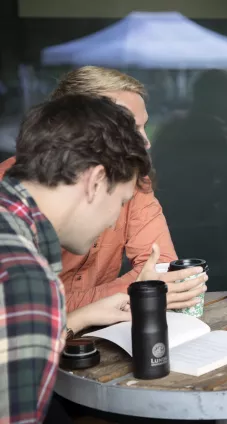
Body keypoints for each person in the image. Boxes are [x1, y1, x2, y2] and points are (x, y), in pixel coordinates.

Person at [0, 94, 188, 422]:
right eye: (119, 202)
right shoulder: (24, 277)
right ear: (96, 181)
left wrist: (81, 317)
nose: (114, 221)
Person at [0, 66, 205, 312]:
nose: (146, 143)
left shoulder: (133, 181)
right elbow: (29, 307)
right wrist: (130, 292)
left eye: (143, 127)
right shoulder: (12, 202)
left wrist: (84, 311)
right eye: (128, 131)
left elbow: (160, 270)